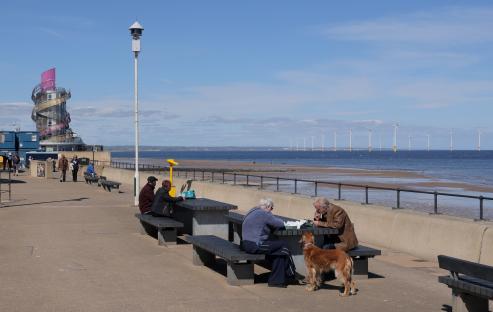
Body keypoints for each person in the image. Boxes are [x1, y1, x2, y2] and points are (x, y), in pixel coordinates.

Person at [241, 198, 296, 288]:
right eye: (272, 208)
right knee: (283, 245)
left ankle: (277, 280)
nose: (271, 211)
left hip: (245, 244)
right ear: (268, 207)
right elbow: (281, 224)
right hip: (255, 245)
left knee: (279, 252)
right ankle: (290, 273)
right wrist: (302, 224)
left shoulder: (251, 211)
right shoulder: (264, 213)